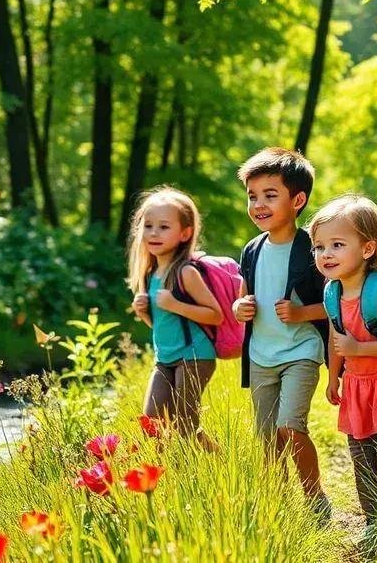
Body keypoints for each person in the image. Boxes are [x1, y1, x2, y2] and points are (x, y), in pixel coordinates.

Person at [310, 194, 377, 542]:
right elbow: (334, 336)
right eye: (319, 246)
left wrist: (360, 347)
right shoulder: (331, 294)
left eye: (337, 245)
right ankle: (375, 523)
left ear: (368, 248)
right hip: (357, 385)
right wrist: (333, 376)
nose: (325, 254)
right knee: (361, 459)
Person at [232, 147, 332, 520]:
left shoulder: (312, 247)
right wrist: (238, 308)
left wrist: (302, 312)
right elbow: (244, 298)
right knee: (266, 438)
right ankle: (277, 505)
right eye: (253, 196)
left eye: (270, 196)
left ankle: (315, 498)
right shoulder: (252, 249)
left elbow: (337, 304)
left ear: (298, 199)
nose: (259, 204)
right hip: (260, 355)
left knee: (290, 426)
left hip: (301, 351)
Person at [128, 186, 222, 449]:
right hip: (165, 358)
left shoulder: (186, 273)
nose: (154, 233)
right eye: (148, 226)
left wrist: (175, 304)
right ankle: (208, 457)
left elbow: (215, 315)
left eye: (164, 227)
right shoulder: (150, 273)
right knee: (152, 421)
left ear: (185, 233)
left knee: (185, 426)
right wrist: (143, 312)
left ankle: (198, 469)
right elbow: (161, 325)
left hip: (194, 356)